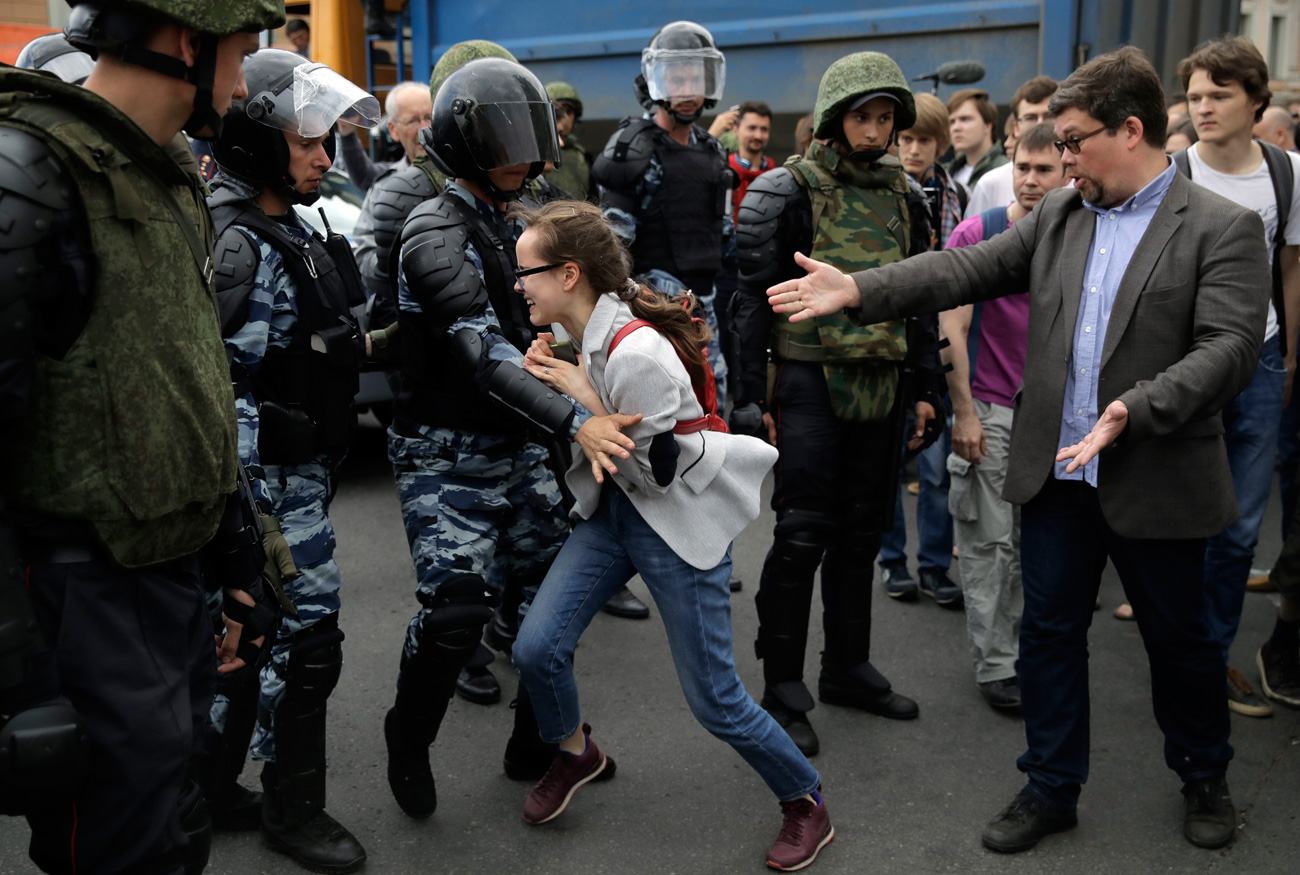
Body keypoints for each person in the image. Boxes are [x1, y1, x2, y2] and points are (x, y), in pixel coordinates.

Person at [766, 45, 1268, 854]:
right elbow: (965, 266)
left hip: (1156, 470)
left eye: (1073, 142)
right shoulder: (1064, 215)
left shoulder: (1222, 226)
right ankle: (1050, 784)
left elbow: (1231, 347)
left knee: (1183, 642)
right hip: (1058, 473)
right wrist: (860, 288)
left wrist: (1134, 410)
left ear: (1131, 130)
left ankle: (1205, 772)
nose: (1059, 162)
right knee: (1048, 635)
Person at [0, 1, 288, 873]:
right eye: (239, 56)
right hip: (80, 595)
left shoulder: (162, 170)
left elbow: (183, 376)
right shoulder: (30, 171)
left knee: (172, 823)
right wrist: (22, 679)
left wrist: (241, 559)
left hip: (166, 584)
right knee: (119, 847)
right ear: (186, 43)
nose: (241, 87)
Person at [512, 201, 834, 873]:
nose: (521, 285)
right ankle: (576, 752)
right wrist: (558, 378)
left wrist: (578, 395)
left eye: (528, 272)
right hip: (616, 516)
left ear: (569, 274)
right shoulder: (586, 336)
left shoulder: (639, 355)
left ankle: (806, 799)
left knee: (715, 698)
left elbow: (656, 471)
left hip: (673, 522)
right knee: (537, 647)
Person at [382, 56, 634, 821]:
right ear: (463, 144)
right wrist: (576, 420)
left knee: (548, 605)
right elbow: (480, 349)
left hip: (524, 443)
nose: (522, 158)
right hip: (445, 447)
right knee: (458, 608)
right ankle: (408, 737)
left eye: (526, 139)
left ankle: (541, 742)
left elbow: (594, 288)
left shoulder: (523, 215)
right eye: (503, 141)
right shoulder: (430, 228)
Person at [730, 51, 943, 758]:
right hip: (808, 383)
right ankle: (783, 691)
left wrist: (925, 388)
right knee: (801, 537)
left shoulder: (906, 195)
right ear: (832, 117)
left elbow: (919, 298)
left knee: (861, 535)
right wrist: (743, 397)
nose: (877, 130)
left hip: (883, 384)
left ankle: (848, 668)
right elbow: (748, 301)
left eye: (888, 118)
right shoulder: (784, 191)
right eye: (865, 115)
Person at [203, 48, 379, 871]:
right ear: (255, 142)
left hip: (302, 475)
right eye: (308, 142)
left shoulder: (291, 225)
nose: (323, 155)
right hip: (271, 492)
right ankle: (292, 809)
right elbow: (226, 395)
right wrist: (248, 526)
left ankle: (210, 786)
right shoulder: (242, 244)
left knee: (256, 649)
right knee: (306, 647)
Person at [1175, 35, 1300, 720]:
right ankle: (1184, 648)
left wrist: (1289, 355)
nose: (1204, 107)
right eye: (1195, 95)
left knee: (1240, 525)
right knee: (1183, 515)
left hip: (1261, 361)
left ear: (1256, 99)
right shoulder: (1174, 172)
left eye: (1219, 94)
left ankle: (1211, 658)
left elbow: (1291, 268)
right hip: (1190, 366)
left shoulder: (1286, 172)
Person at [939, 122, 1067, 711]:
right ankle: (996, 666)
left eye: (1046, 169)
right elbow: (952, 329)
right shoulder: (979, 232)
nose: (1032, 180)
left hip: (1056, 419)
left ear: (1068, 170)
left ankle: (1020, 655)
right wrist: (963, 413)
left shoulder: (1079, 234)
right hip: (989, 410)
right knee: (989, 544)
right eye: (1023, 168)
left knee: (1030, 547)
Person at [591, 19, 732, 435]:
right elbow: (611, 251)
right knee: (663, 422)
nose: (687, 89)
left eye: (695, 77)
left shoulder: (712, 149)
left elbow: (722, 232)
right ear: (653, 81)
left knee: (711, 409)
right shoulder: (633, 149)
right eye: (676, 77)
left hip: (705, 305)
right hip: (654, 308)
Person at [878, 91, 967, 606]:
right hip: (894, 336)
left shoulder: (954, 195)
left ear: (941, 143)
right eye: (905, 139)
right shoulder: (884, 190)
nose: (913, 149)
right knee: (890, 460)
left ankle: (934, 565)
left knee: (936, 465)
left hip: (939, 336)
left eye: (924, 140)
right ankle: (892, 560)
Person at [965, 76, 1058, 217]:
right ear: (1016, 127)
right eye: (1030, 118)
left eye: (1049, 116)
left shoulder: (1080, 181)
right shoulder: (990, 184)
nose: (1040, 124)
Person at [337, 80, 429, 194]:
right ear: (393, 130)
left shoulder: (455, 174)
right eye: (412, 121)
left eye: (429, 118)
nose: (424, 129)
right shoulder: (391, 179)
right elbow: (364, 175)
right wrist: (348, 132)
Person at [946, 88, 1007, 190]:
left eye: (965, 119)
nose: (956, 127)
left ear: (988, 126)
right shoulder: (945, 172)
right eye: (952, 122)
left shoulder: (1006, 169)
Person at [544, 81, 594, 201]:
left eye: (569, 111)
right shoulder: (531, 156)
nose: (564, 116)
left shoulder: (583, 157)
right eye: (557, 110)